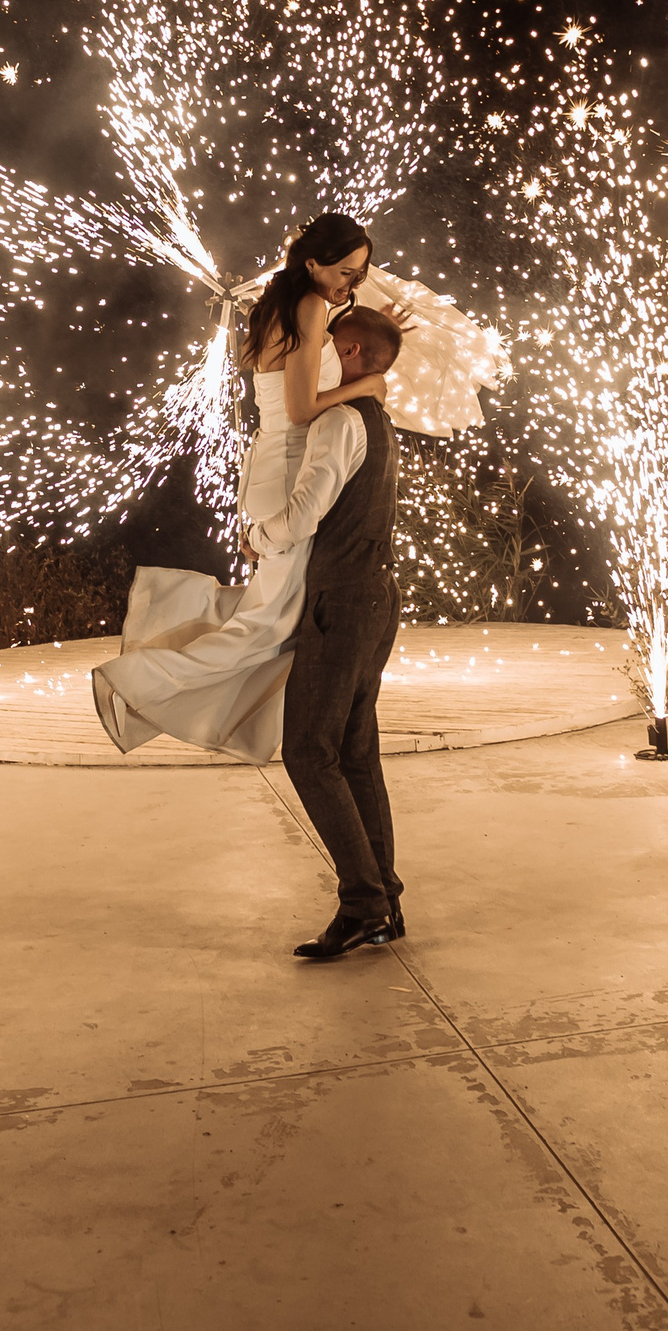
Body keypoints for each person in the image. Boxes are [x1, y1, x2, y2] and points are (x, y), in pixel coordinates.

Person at [90, 215, 389, 762]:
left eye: (360, 275)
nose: (352, 285)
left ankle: (176, 681)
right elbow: (302, 410)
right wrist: (369, 382)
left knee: (274, 618)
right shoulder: (310, 307)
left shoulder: (278, 306)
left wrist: (370, 337)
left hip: (270, 470)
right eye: (346, 272)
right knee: (265, 626)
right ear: (313, 263)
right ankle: (136, 681)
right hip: (288, 471)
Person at [244, 304, 408, 959]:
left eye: (332, 345)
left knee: (309, 751)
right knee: (356, 751)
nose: (317, 355)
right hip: (375, 598)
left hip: (340, 603)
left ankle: (364, 902)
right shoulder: (379, 417)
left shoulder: (340, 420)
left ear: (359, 355)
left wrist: (257, 536)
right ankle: (383, 902)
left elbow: (304, 514)